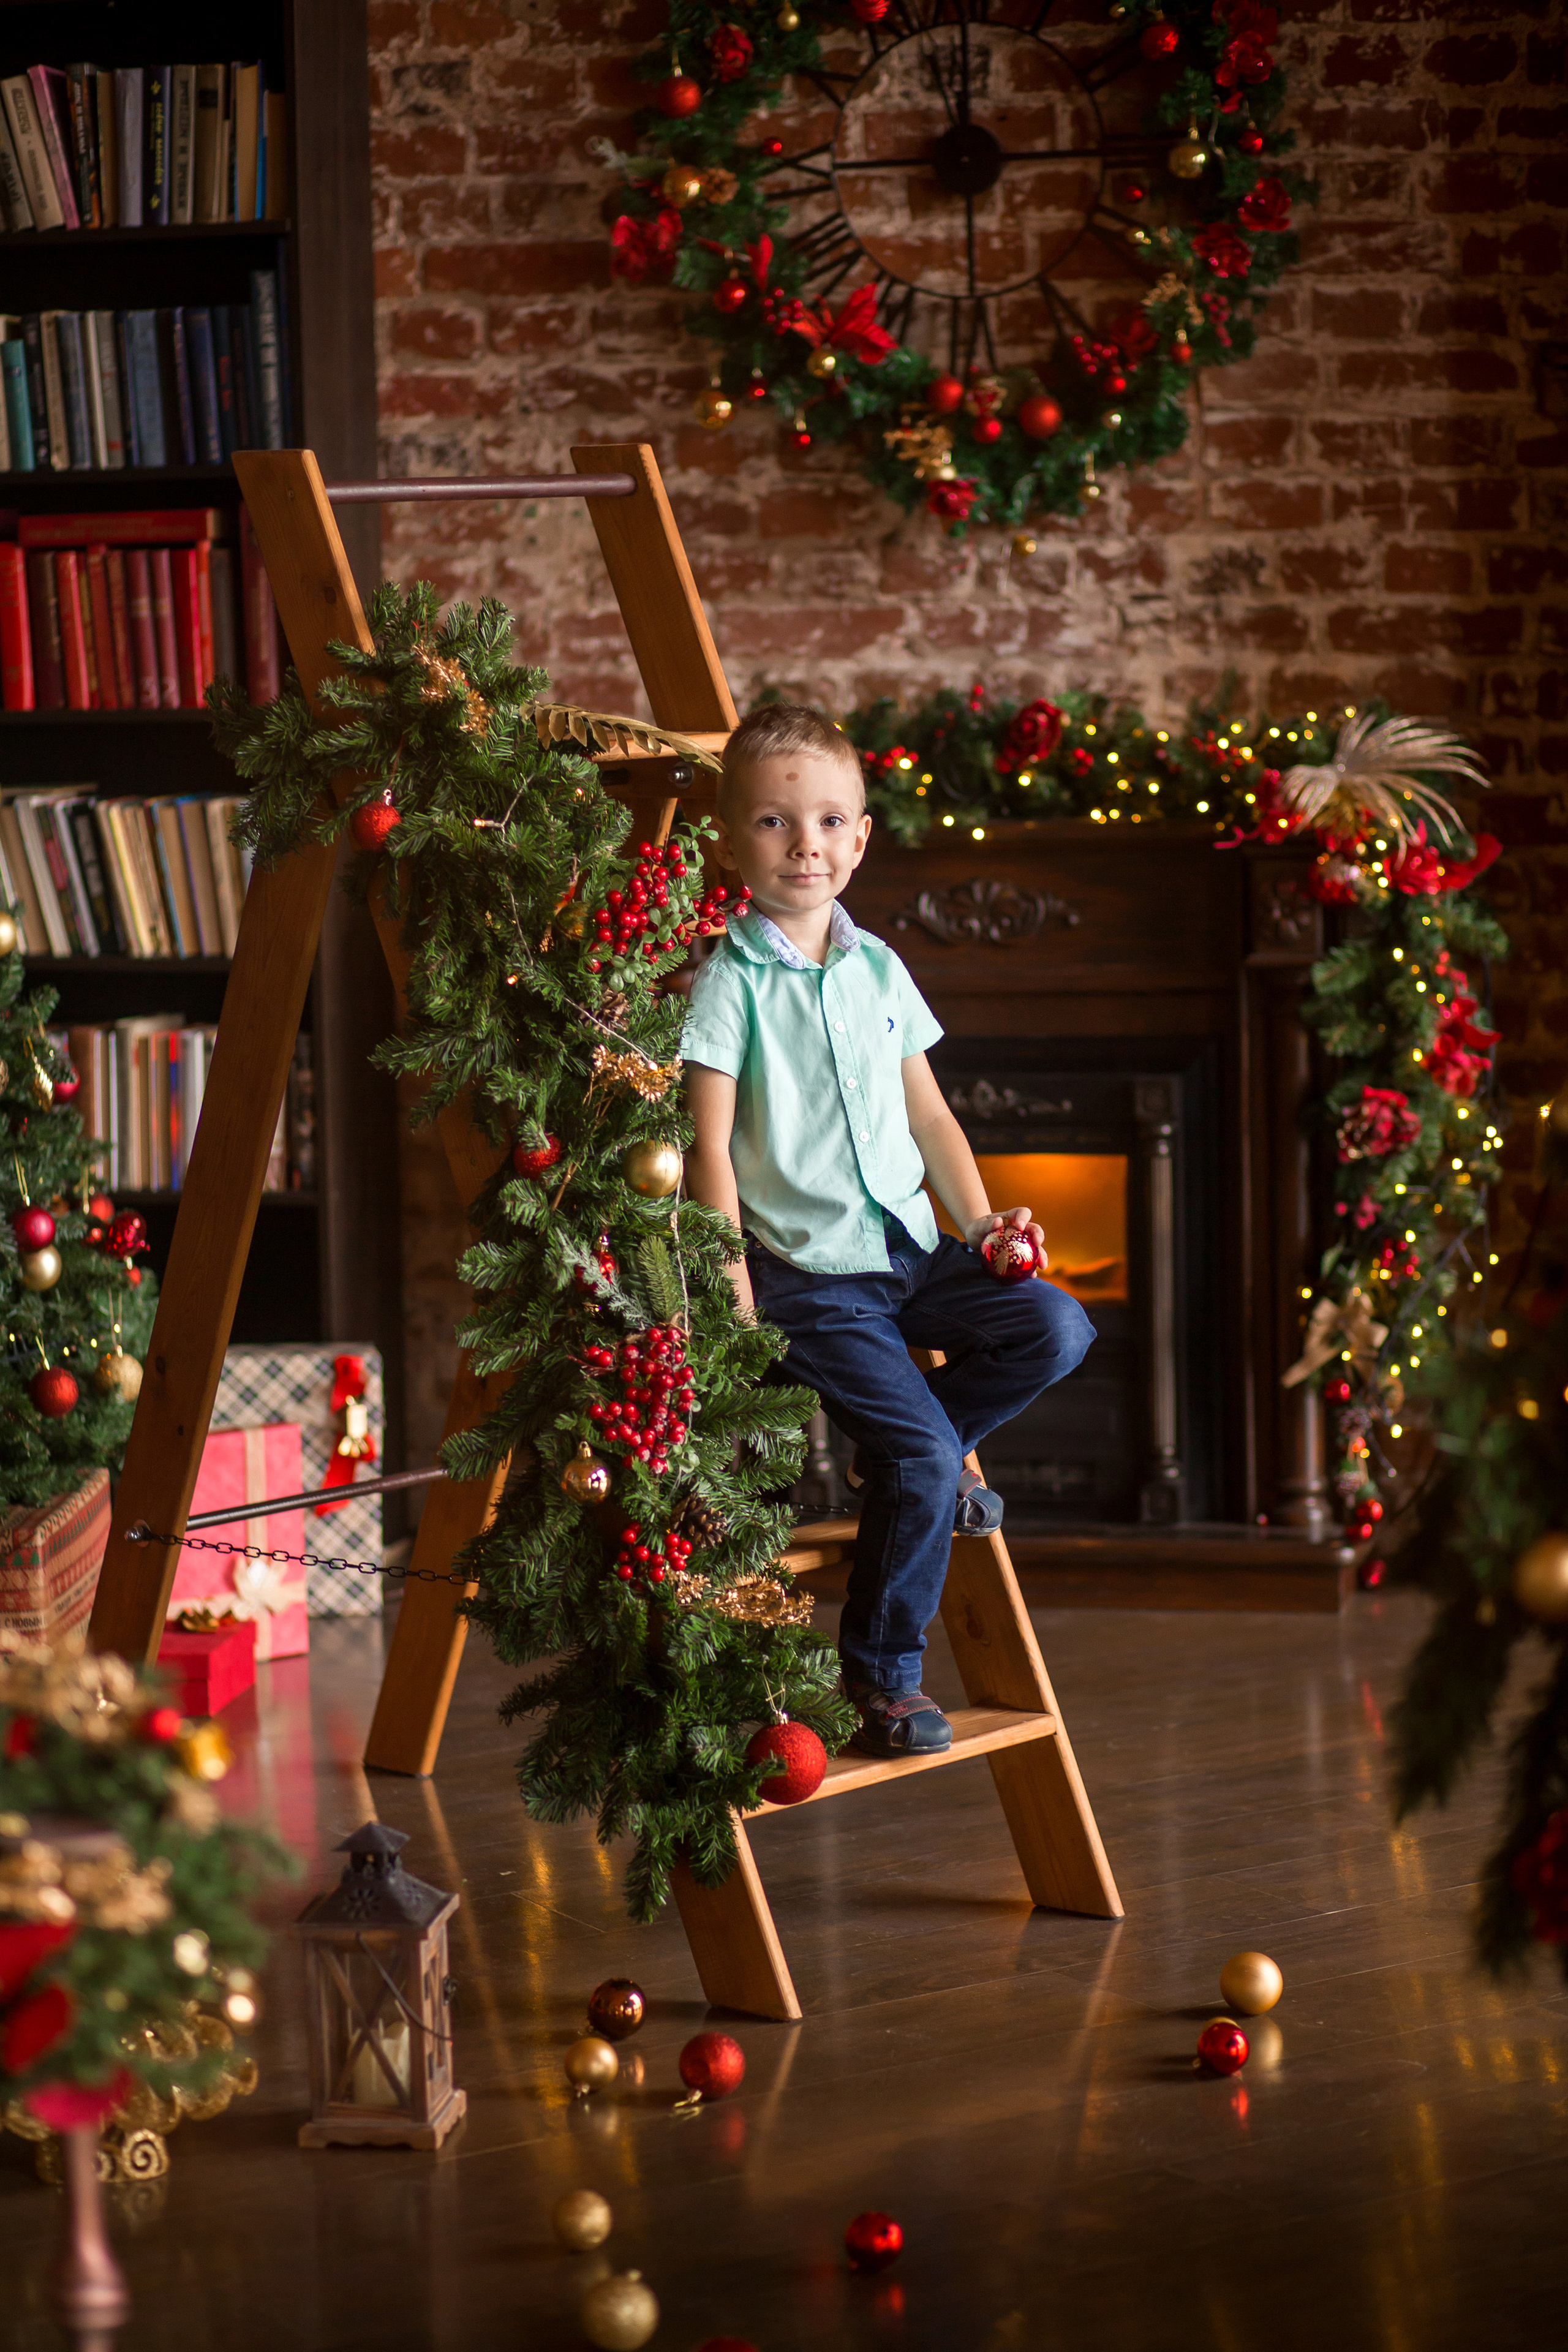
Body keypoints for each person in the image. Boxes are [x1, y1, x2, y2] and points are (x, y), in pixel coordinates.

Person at [680, 703, 1095, 1757]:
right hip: (812, 1277)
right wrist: (731, 1284)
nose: (804, 844)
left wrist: (984, 1220)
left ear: (860, 839)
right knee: (917, 1451)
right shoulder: (730, 984)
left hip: (912, 1253)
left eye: (827, 822)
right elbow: (712, 1151)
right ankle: (883, 1678)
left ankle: (921, 1454)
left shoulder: (880, 971)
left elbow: (931, 1117)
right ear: (733, 841)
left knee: (1056, 1327)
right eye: (775, 824)